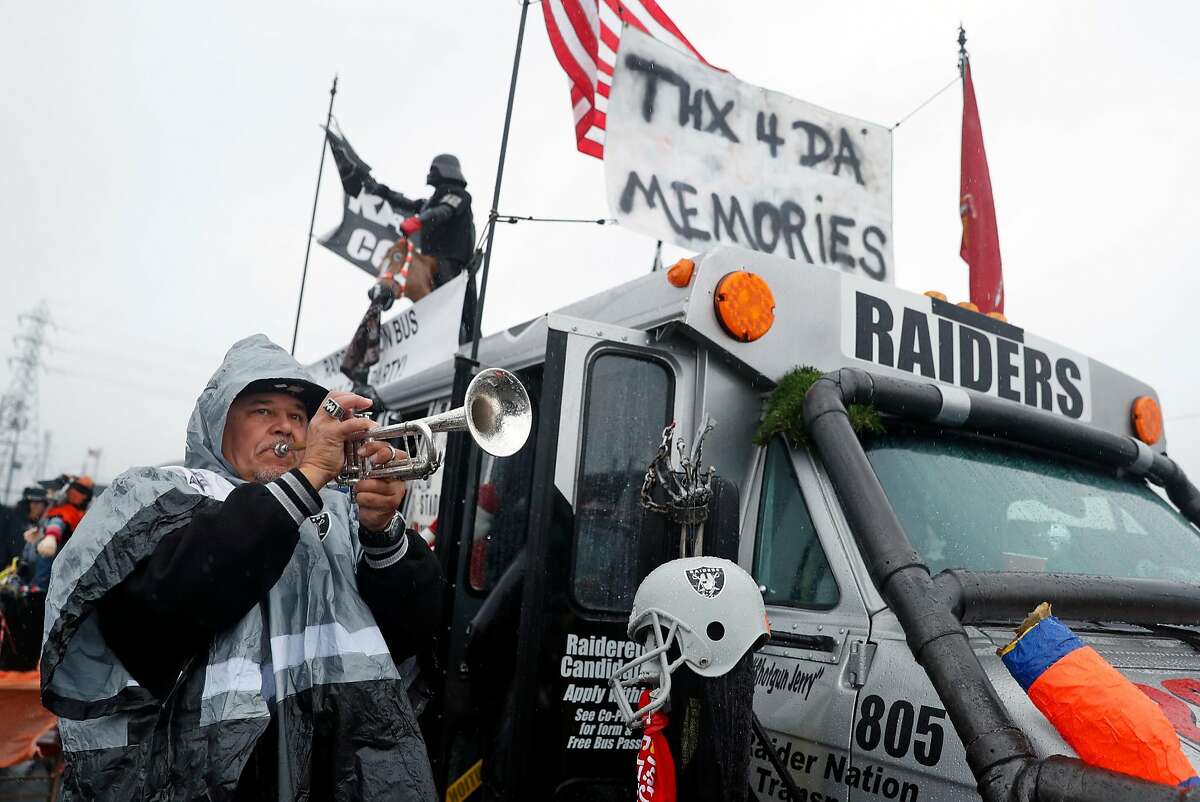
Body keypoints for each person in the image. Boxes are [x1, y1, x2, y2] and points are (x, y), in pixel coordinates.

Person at [41, 334, 442, 801]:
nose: (285, 428)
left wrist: (382, 530)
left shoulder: (337, 512)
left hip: (334, 773)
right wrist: (308, 478)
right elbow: (168, 605)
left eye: (297, 416)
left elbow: (413, 634)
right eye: (262, 411)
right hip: (196, 779)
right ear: (219, 423)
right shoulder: (163, 491)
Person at [1, 486, 47, 570]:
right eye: (33, 503)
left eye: (38, 503)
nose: (35, 507)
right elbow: (11, 543)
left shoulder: (39, 523)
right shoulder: (15, 519)